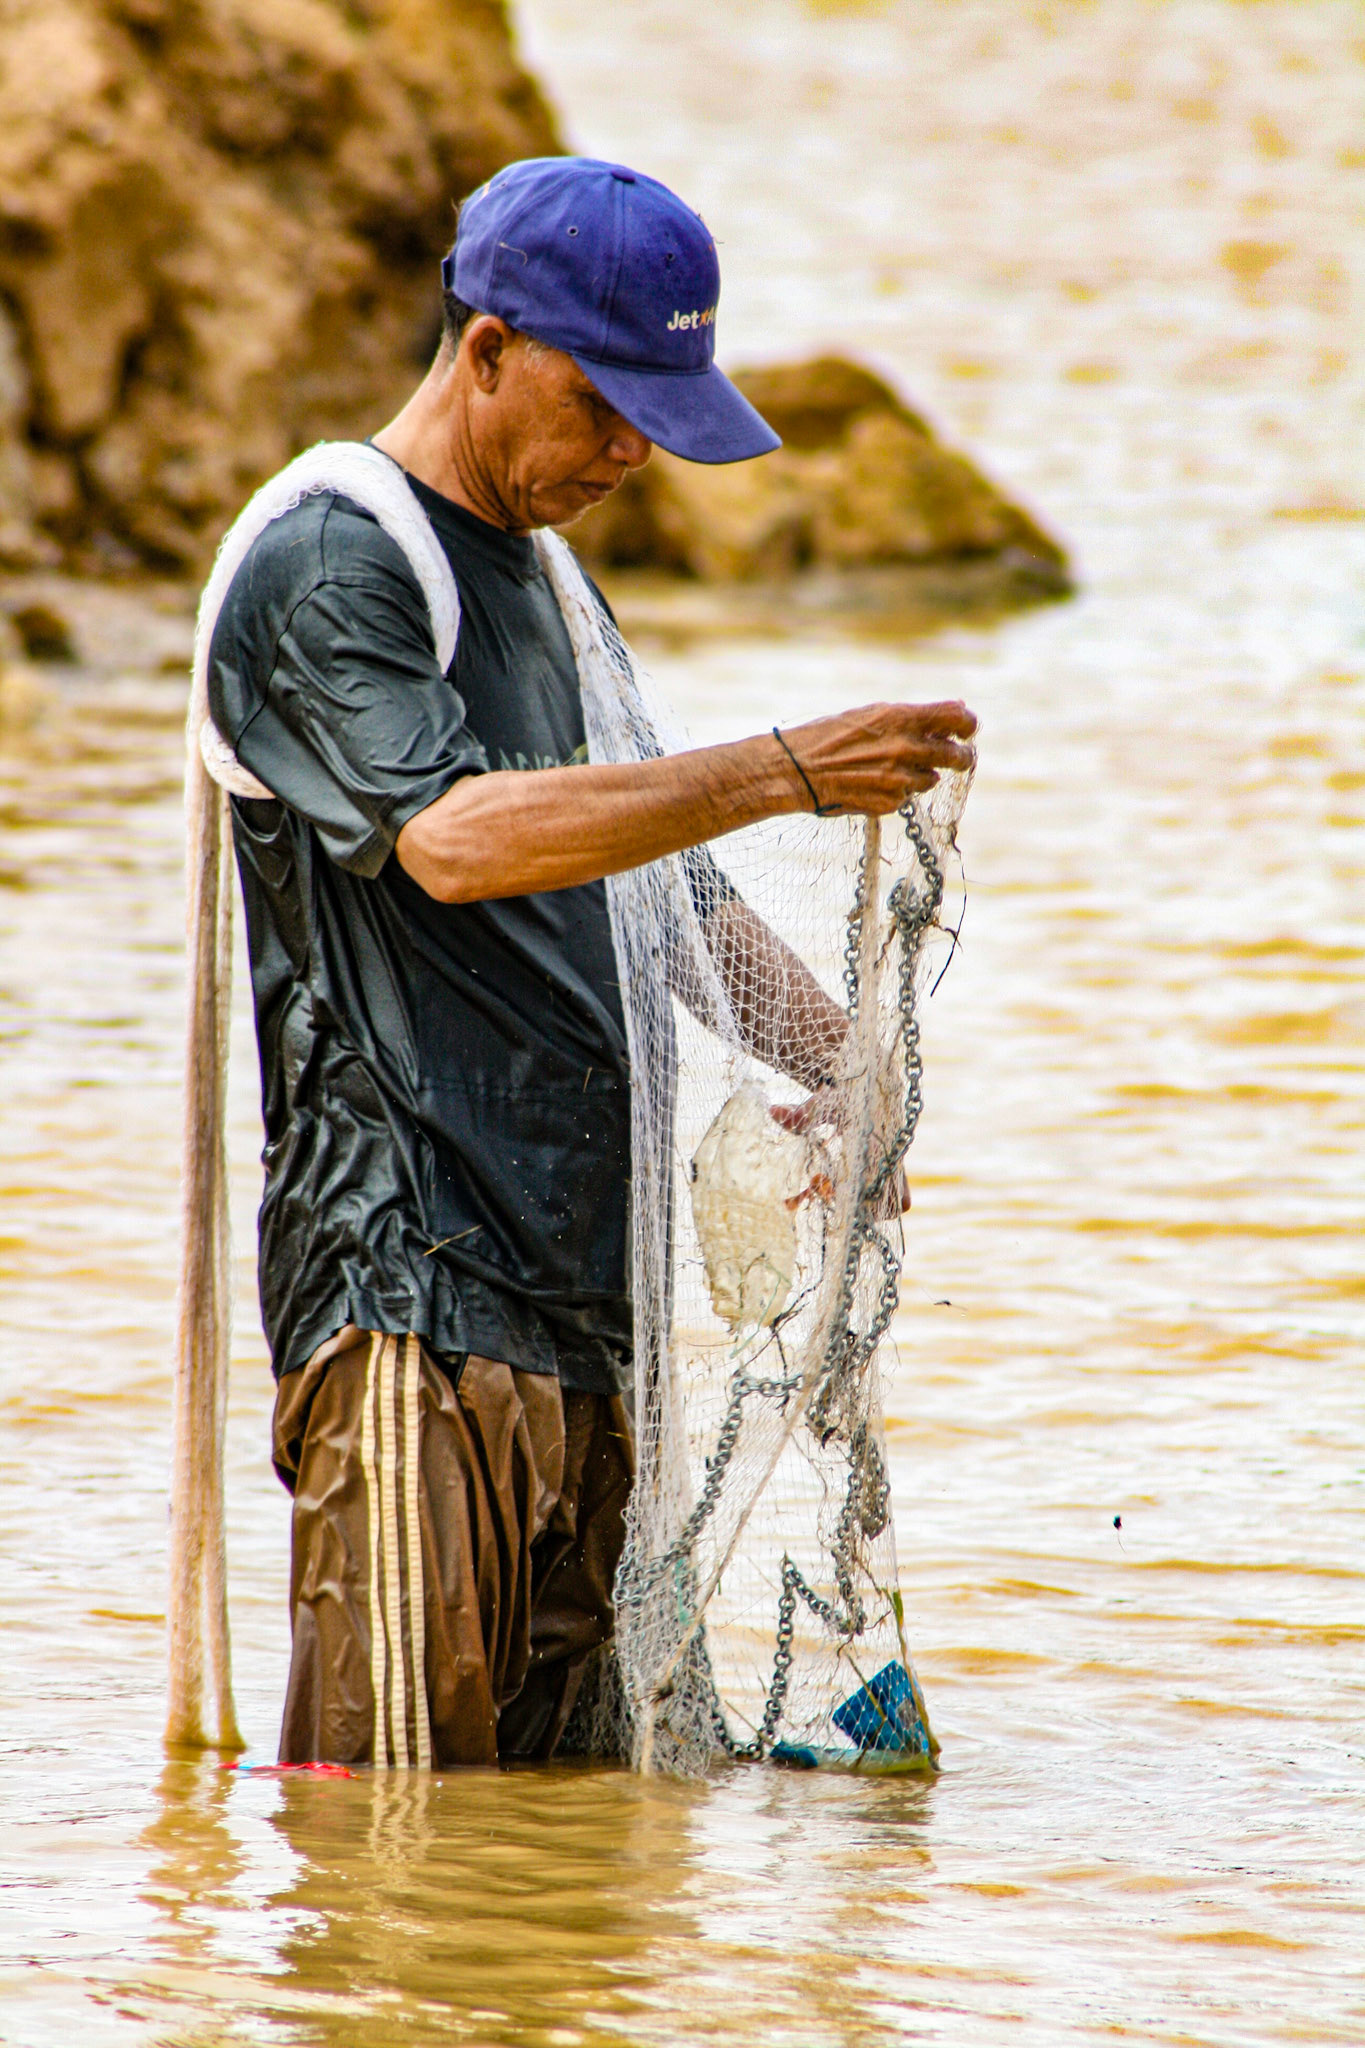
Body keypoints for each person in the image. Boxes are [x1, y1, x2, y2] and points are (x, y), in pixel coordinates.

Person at [206, 155, 976, 1769]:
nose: (629, 451)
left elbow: (657, 890)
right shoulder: (335, 561)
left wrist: (835, 1059)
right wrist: (779, 769)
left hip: (583, 1324)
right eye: (598, 401)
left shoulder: (552, 581)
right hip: (411, 1314)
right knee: (384, 1857)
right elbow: (453, 836)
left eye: (658, 412)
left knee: (573, 1870)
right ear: (484, 349)